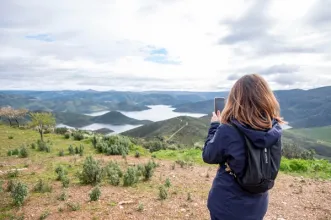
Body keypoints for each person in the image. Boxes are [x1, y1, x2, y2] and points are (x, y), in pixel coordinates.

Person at [202, 74, 284, 220]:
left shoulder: (229, 129)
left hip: (227, 206)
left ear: (236, 99)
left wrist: (215, 125)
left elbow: (208, 155)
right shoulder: (274, 128)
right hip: (258, 206)